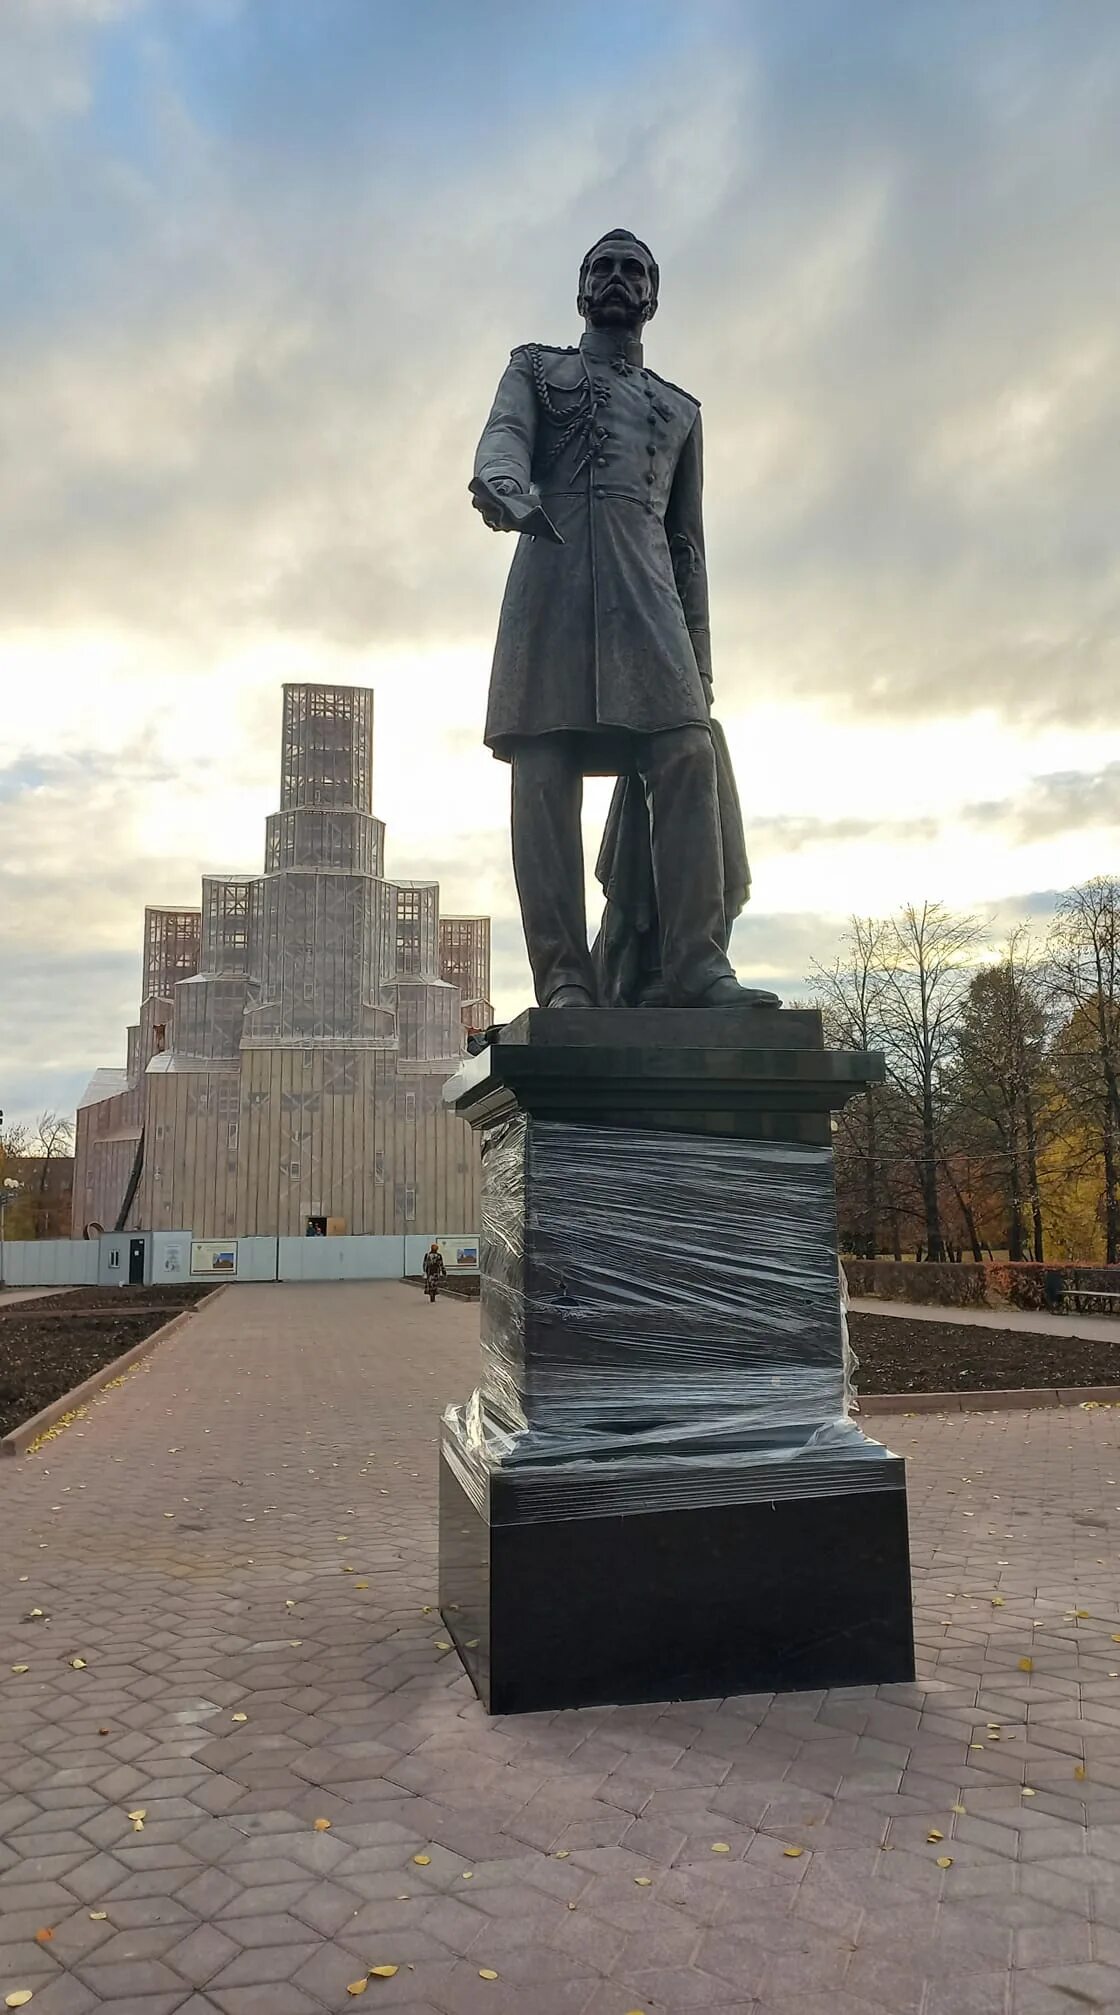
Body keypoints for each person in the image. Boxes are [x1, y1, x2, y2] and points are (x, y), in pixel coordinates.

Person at [471, 227, 779, 1013]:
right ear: (582, 291)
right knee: (543, 776)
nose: (617, 277)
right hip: (553, 586)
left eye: (633, 269)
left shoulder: (679, 410)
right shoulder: (536, 368)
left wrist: (700, 667)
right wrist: (503, 481)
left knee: (685, 750)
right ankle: (565, 977)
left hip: (650, 604)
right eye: (602, 267)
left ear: (652, 297)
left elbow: (689, 547)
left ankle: (697, 965)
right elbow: (505, 437)